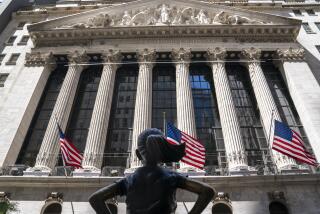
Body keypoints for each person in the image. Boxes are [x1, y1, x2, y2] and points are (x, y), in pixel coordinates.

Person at [89, 128, 215, 214]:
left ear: (138, 155)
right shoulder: (171, 176)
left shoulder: (129, 180)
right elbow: (207, 191)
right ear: (162, 153)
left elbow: (95, 198)